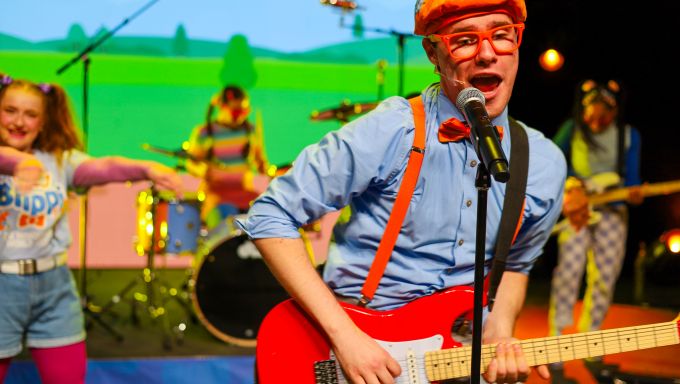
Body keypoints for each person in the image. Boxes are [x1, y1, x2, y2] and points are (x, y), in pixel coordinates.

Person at [239, 0, 566, 383]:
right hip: (349, 349)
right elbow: (270, 214)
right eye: (464, 40)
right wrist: (346, 338)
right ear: (433, 52)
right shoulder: (393, 130)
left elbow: (516, 264)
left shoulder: (544, 165)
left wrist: (499, 333)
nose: (487, 53)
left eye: (501, 35)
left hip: (453, 358)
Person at [0, 77, 182, 383]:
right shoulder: (16, 161)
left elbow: (104, 167)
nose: (19, 121)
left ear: (43, 123)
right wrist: (19, 162)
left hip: (53, 286)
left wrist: (146, 169)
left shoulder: (58, 160)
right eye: (10, 110)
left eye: (30, 115)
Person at [548, 79, 642, 377]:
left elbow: (631, 178)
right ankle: (556, 343)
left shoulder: (628, 136)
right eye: (592, 115)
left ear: (613, 113)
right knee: (569, 272)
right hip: (577, 208)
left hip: (612, 211)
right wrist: (573, 185)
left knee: (604, 277)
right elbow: (551, 163)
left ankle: (590, 341)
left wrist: (634, 192)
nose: (596, 122)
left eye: (603, 116)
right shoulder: (572, 130)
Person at [184, 85, 269, 232]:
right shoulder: (205, 132)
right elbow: (191, 163)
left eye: (244, 111)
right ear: (222, 107)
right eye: (236, 111)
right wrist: (202, 171)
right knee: (225, 218)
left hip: (244, 194)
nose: (241, 116)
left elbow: (261, 162)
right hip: (216, 197)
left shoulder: (250, 131)